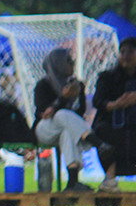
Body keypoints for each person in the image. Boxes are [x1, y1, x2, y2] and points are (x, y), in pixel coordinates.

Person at [92, 37, 136, 191]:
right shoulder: (108, 77)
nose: (126, 56)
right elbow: (99, 101)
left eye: (130, 52)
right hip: (113, 123)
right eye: (122, 52)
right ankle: (110, 179)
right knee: (105, 133)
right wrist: (116, 105)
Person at [32, 48, 105, 192]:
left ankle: (72, 182)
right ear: (58, 64)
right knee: (61, 115)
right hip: (45, 130)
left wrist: (78, 95)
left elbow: (79, 113)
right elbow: (44, 113)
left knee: (67, 131)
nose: (73, 64)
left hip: (66, 129)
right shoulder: (43, 85)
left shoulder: (76, 85)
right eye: (69, 61)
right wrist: (62, 98)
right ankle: (96, 142)